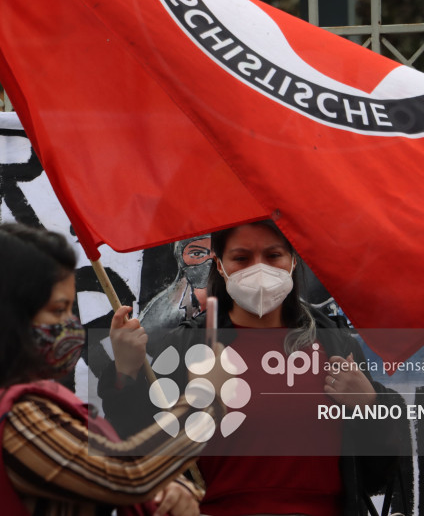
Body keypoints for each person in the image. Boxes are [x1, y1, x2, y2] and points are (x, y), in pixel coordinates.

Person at [0, 224, 226, 516]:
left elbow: (116, 475)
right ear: (4, 318)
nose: (70, 324)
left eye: (71, 308)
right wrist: (204, 400)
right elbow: (128, 477)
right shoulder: (16, 417)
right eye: (58, 309)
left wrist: (164, 489)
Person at [99, 220, 407, 516]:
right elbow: (141, 453)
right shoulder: (188, 347)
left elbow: (378, 474)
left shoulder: (335, 344)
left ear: (293, 261)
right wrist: (127, 371)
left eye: (273, 255)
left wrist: (371, 404)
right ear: (219, 265)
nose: (259, 269)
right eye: (241, 258)